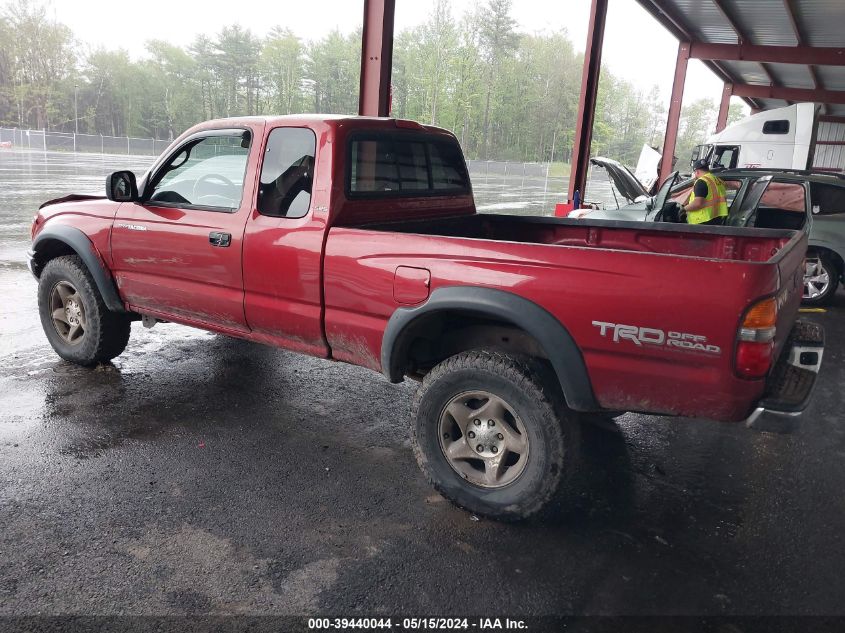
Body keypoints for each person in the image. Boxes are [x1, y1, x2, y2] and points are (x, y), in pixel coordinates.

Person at [680, 158, 728, 224]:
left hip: (702, 220)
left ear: (697, 171)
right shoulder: (717, 179)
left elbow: (698, 203)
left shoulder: (701, 181)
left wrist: (684, 209)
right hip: (716, 218)